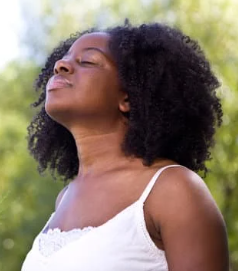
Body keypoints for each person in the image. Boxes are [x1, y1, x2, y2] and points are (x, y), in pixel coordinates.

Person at [21, 22, 229, 271]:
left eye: (87, 61)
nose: (60, 66)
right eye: (63, 60)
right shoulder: (65, 198)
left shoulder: (172, 189)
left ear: (127, 98)